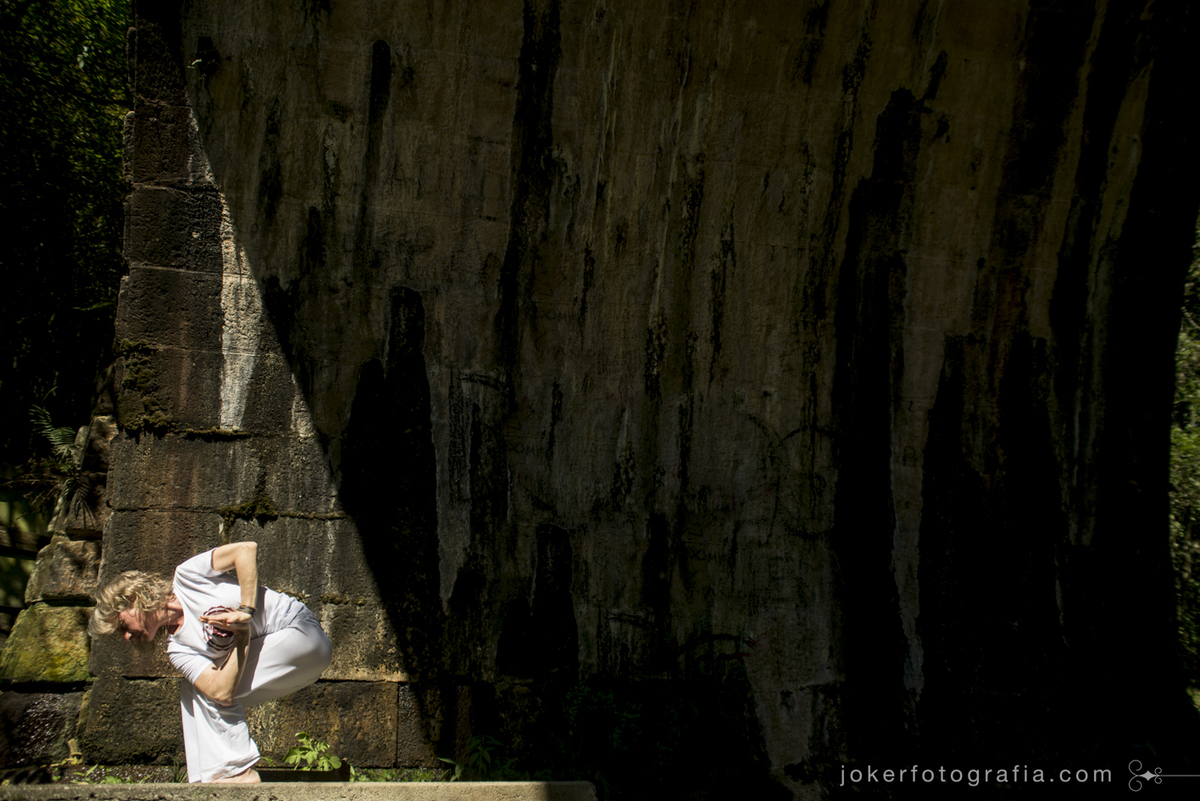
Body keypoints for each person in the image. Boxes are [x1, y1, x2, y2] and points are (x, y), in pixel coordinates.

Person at [89, 541, 332, 783]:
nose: (127, 636)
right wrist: (242, 637)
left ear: (133, 600)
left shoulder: (187, 577)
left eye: (122, 625)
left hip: (301, 634)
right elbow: (220, 692)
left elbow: (245, 550)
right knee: (196, 690)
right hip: (294, 670)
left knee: (205, 690)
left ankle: (237, 772)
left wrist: (246, 611)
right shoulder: (178, 650)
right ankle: (214, 779)